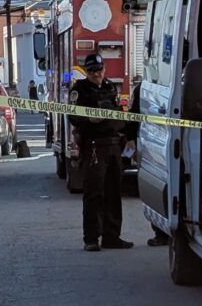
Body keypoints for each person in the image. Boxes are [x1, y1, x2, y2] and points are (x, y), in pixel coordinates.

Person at [70, 52, 132, 252]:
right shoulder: (80, 90)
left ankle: (112, 236)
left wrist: (129, 137)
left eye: (99, 70)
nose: (97, 74)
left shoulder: (109, 87)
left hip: (113, 145)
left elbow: (119, 114)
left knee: (114, 192)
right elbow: (73, 116)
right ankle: (91, 238)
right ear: (87, 72)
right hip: (94, 145)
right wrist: (89, 119)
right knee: (94, 193)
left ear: (104, 69)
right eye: (92, 71)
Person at [127, 78, 170, 246]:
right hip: (151, 144)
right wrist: (131, 139)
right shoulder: (144, 89)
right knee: (155, 183)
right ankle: (160, 232)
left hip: (167, 145)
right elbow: (134, 114)